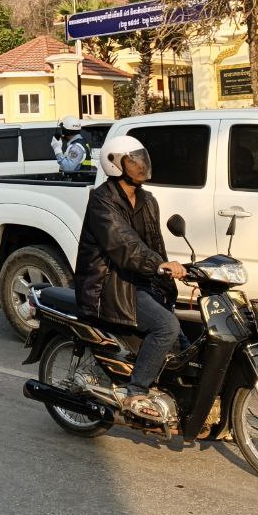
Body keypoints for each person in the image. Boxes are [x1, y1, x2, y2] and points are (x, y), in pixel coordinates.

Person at [75, 135, 187, 422]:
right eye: (133, 160)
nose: (141, 165)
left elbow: (155, 245)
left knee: (184, 342)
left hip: (136, 280)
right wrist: (159, 265)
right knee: (166, 327)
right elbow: (124, 245)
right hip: (108, 285)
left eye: (142, 158)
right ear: (115, 164)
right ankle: (135, 391)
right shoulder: (102, 201)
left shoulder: (148, 200)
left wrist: (171, 279)